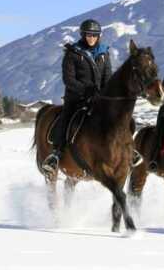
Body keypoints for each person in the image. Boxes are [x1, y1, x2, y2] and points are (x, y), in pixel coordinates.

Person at [42, 19, 112, 173]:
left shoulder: (104, 53)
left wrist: (105, 93)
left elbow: (108, 78)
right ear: (83, 35)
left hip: (98, 99)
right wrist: (86, 90)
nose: (91, 38)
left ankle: (126, 149)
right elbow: (69, 79)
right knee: (66, 118)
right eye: (88, 35)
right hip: (76, 97)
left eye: (95, 35)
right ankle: (56, 153)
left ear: (99, 36)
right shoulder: (72, 53)